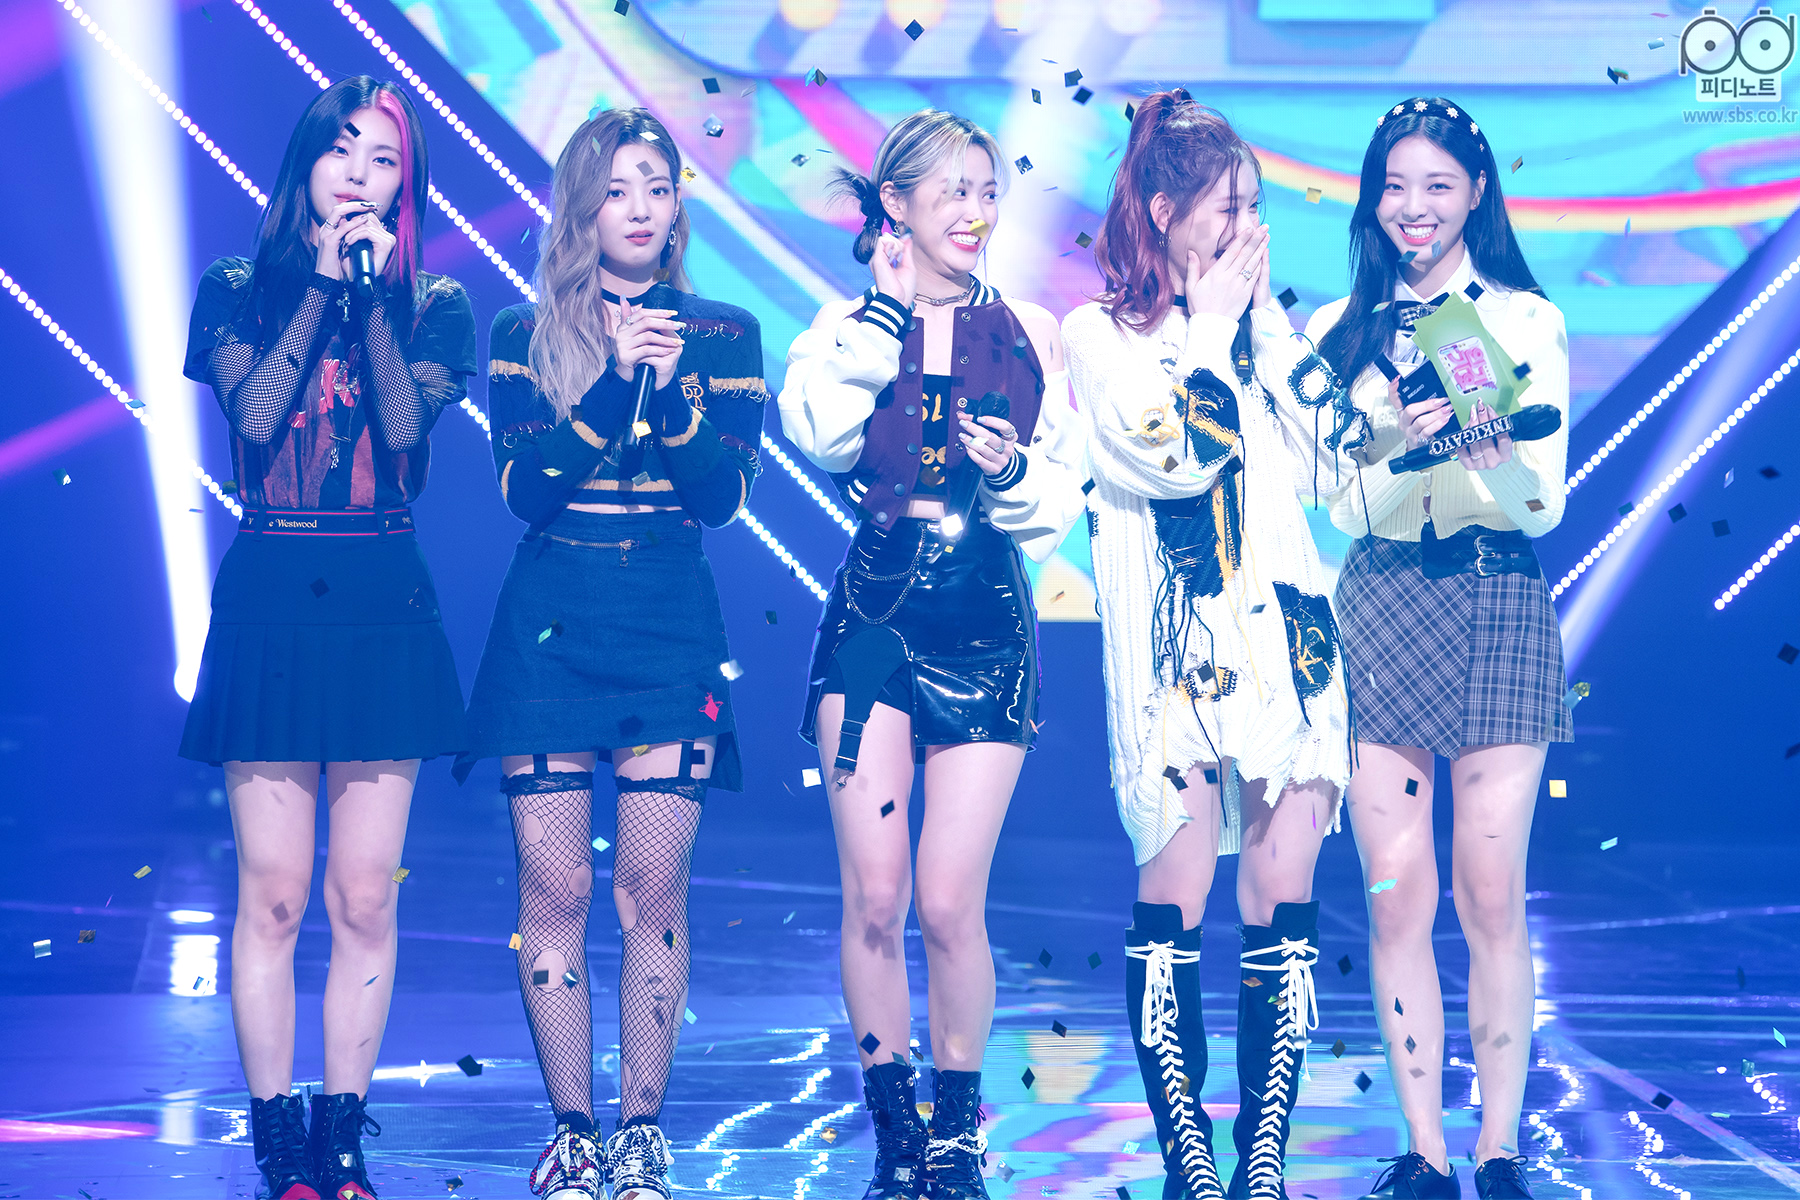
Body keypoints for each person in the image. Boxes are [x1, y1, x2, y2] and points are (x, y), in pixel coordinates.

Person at [1061, 90, 1372, 1200]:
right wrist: (1207, 326)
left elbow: (1341, 465)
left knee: (1284, 893)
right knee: (1177, 894)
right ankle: (1188, 1157)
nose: (1250, 230)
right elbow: (1175, 454)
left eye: (1255, 207)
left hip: (1291, 648)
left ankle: (1264, 1157)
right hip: (1176, 662)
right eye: (1227, 208)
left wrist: (1270, 334)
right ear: (1163, 213)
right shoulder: (1099, 336)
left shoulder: (1262, 335)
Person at [777, 109, 1087, 1200]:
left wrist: (1009, 472)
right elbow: (818, 434)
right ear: (895, 206)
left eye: (987, 190)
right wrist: (885, 313)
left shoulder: (1034, 331)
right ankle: (894, 1131)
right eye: (951, 190)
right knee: (875, 895)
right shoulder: (846, 326)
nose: (975, 211)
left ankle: (958, 1131)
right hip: (873, 618)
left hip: (985, 615)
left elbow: (1059, 502)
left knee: (950, 901)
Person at [458, 108, 766, 1200]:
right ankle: (573, 1134)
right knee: (554, 889)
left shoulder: (723, 335)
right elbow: (526, 490)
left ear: (680, 206)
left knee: (651, 891)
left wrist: (668, 387)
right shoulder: (520, 332)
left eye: (659, 187)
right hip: (549, 627)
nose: (640, 209)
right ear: (582, 207)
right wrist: (610, 378)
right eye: (618, 189)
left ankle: (641, 1132)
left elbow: (721, 497)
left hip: (668, 625)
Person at [179, 77, 474, 1200]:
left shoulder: (434, 303)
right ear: (306, 160)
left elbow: (400, 428)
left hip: (381, 598)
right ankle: (278, 1145)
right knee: (273, 893)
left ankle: (343, 1139)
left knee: (364, 895)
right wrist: (315, 287)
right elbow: (255, 416)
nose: (359, 173)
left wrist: (366, 297)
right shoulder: (236, 289)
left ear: (404, 189)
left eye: (384, 159)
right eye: (343, 149)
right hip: (271, 592)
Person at [1308, 96, 1571, 1200]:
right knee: (1395, 894)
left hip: (1497, 592)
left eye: (1438, 186)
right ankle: (1423, 1148)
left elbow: (1542, 506)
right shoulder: (1342, 329)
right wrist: (1398, 448)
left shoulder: (1523, 322)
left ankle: (1499, 1149)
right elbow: (1337, 503)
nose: (1413, 207)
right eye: (1395, 187)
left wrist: (1485, 445)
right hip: (1379, 600)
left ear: (1475, 195)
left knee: (1490, 892)